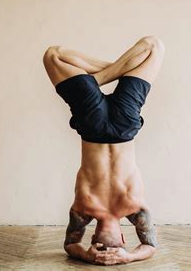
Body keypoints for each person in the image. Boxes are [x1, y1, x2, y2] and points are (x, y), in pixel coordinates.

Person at [43, 36, 165, 265]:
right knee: (152, 46)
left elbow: (71, 245)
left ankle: (104, 76)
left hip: (110, 125)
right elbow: (71, 245)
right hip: (102, 126)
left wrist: (124, 255)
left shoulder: (131, 208)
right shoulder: (85, 208)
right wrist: (124, 257)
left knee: (55, 54)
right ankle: (105, 76)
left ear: (123, 237)